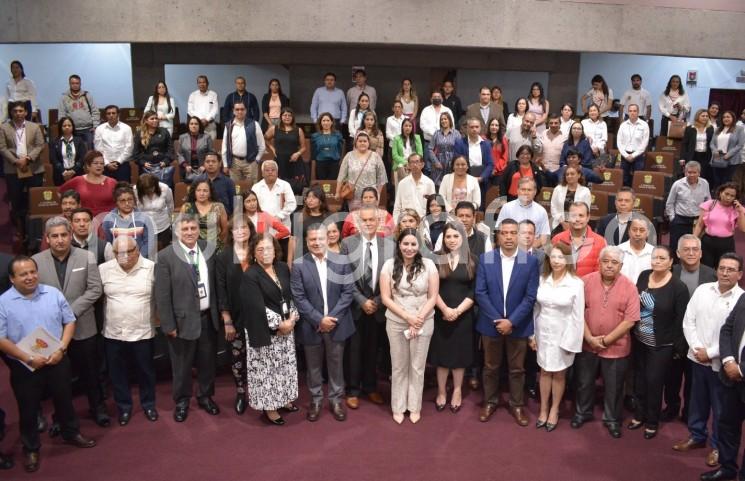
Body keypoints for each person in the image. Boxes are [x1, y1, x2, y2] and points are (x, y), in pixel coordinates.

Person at [0, 255, 97, 473]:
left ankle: (71, 433)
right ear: (12, 279)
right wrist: (27, 358)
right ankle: (31, 448)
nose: (30, 277)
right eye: (23, 274)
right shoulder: (3, 302)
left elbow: (69, 320)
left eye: (33, 272)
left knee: (65, 401)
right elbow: (1, 338)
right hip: (25, 365)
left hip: (57, 359)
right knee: (28, 408)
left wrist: (61, 348)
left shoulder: (52, 293)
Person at [32, 216, 107, 426]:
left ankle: (98, 408)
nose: (60, 240)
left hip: (83, 325)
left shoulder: (86, 257)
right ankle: (61, 418)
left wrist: (69, 313)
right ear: (47, 238)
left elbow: (95, 289)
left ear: (70, 235)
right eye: (54, 236)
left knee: (91, 373)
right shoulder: (36, 261)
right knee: (58, 379)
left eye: (64, 235)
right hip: (52, 330)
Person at [673, 253, 743, 469]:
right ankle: (696, 435)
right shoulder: (703, 290)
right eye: (722, 268)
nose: (725, 272)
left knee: (722, 410)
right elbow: (688, 320)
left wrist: (711, 352)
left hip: (722, 364)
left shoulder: (741, 299)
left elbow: (734, 335)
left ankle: (717, 447)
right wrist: (696, 348)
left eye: (731, 269)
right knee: (697, 401)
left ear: (740, 274)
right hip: (697, 358)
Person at [155, 215, 220, 422]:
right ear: (177, 233)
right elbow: (162, 295)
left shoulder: (208, 249)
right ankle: (182, 401)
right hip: (181, 322)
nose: (190, 232)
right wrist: (168, 324)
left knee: (207, 362)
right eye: (185, 229)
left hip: (207, 317)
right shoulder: (165, 256)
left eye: (193, 228)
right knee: (181, 366)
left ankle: (205, 396)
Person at [475, 218, 539, 426]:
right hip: (490, 324)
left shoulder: (529, 262)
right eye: (505, 233)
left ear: (519, 235)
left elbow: (530, 297)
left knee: (517, 369)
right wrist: (498, 320)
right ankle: (490, 401)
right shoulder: (486, 259)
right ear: (498, 236)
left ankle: (517, 405)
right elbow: (480, 293)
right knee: (490, 367)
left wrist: (511, 321)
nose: (509, 237)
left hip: (518, 325)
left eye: (513, 233)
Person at [573, 246, 640, 438]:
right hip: (588, 343)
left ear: (621, 266)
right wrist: (589, 338)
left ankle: (612, 419)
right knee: (584, 382)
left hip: (616, 347)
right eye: (606, 261)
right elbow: (577, 311)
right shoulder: (585, 282)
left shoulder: (629, 286)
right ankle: (582, 412)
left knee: (614, 386)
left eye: (614, 262)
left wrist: (607, 340)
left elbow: (630, 320)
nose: (609, 266)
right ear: (599, 263)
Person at [291, 224, 356, 422]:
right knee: (313, 367)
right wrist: (319, 320)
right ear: (307, 242)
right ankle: (316, 400)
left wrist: (331, 319)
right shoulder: (299, 265)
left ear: (327, 239)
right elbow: (298, 297)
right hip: (312, 325)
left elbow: (348, 292)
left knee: (336, 364)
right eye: (312, 240)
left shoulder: (341, 261)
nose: (317, 243)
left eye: (320, 239)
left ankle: (336, 400)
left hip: (337, 324)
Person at [628, 246, 689, 440]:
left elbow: (681, 320)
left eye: (662, 258)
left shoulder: (678, 287)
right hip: (639, 339)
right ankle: (639, 414)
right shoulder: (644, 276)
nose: (657, 261)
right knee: (639, 380)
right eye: (655, 258)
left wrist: (678, 347)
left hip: (661, 344)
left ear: (671, 262)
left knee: (654, 382)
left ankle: (652, 421)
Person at [379, 228, 438, 424]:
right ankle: (398, 406)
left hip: (423, 321)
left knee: (418, 367)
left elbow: (433, 296)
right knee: (398, 366)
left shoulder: (429, 265)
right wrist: (407, 317)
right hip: (397, 322)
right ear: (399, 244)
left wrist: (418, 318)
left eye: (413, 244)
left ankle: (414, 406)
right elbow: (386, 298)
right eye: (405, 243)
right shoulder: (388, 265)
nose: (409, 248)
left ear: (419, 246)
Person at [99, 236, 158, 426]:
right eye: (119, 253)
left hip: (142, 332)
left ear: (138, 250)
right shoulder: (104, 270)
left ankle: (148, 404)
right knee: (117, 373)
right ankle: (124, 407)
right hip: (113, 332)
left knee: (146, 372)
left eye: (129, 251)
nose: (124, 256)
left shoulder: (151, 268)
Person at [241, 235, 299, 425]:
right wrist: (279, 325)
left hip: (286, 329)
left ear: (275, 250)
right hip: (264, 331)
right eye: (260, 250)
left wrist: (291, 318)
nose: (265, 253)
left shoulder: (282, 268)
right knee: (268, 372)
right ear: (254, 254)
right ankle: (270, 407)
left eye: (269, 248)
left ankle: (284, 399)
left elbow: (290, 295)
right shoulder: (250, 274)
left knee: (284, 368)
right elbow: (255, 306)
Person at [341, 204, 396, 409]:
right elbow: (345, 276)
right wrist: (361, 300)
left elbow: (392, 278)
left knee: (374, 349)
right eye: (364, 220)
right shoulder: (347, 243)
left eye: (371, 220)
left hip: (379, 306)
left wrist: (378, 301)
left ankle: (371, 387)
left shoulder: (389, 245)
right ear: (358, 222)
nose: (368, 223)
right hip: (355, 306)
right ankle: (353, 390)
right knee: (353, 350)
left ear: (378, 222)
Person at [530, 242, 584, 431]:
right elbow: (536, 308)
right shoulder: (542, 279)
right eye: (553, 257)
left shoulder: (576, 283)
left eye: (561, 257)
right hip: (543, 332)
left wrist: (571, 342)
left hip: (565, 334)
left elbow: (578, 316)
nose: (556, 261)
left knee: (559, 374)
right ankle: (543, 408)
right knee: (544, 371)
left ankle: (554, 409)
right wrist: (532, 334)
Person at [665, 234, 718, 424]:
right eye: (686, 249)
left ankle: (689, 412)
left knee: (693, 380)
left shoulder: (712, 275)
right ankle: (671, 407)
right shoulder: (670, 271)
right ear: (678, 253)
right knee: (671, 378)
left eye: (695, 249)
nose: (691, 253)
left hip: (699, 337)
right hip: (674, 335)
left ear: (701, 253)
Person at [699, 269, 745, 481]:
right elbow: (727, 329)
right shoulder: (744, 298)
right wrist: (728, 361)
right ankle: (727, 468)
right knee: (727, 426)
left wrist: (741, 368)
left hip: (740, 372)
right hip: (730, 375)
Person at [431, 222, 476, 413]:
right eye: (448, 236)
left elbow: (475, 291)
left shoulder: (473, 260)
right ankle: (441, 391)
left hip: (463, 316)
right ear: (443, 238)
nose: (452, 240)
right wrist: (444, 309)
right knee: (441, 356)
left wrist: (457, 311)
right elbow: (431, 288)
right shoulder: (436, 259)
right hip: (441, 314)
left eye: (456, 236)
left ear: (463, 238)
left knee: (459, 356)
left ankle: (457, 390)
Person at [215, 213, 256, 415]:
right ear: (231, 232)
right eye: (237, 228)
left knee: (259, 355)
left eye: (245, 227)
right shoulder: (223, 256)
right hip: (236, 317)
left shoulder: (259, 252)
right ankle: (241, 393)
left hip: (259, 316)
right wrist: (227, 320)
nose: (241, 231)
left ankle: (259, 392)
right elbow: (220, 289)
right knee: (238, 357)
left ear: (250, 230)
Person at [0, 101, 45, 240]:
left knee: (34, 202)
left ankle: (36, 233)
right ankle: (20, 231)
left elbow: (40, 145)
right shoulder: (3, 127)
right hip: (13, 169)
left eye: (21, 111)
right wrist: (16, 161)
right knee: (17, 201)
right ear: (11, 113)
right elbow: (2, 147)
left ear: (26, 112)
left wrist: (28, 158)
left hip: (34, 168)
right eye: (15, 111)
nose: (18, 113)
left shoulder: (35, 127)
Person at [694, 182, 745, 269]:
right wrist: (693, 239)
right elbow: (699, 225)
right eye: (726, 194)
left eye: (732, 196)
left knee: (724, 269)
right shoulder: (710, 204)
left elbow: (743, 228)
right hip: (708, 242)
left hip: (726, 243)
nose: (728, 198)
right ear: (720, 192)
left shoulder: (738, 209)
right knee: (706, 269)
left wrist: (740, 212)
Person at [666, 161, 711, 255]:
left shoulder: (705, 183)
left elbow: (708, 202)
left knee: (696, 247)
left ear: (699, 173)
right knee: (676, 246)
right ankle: (675, 267)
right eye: (689, 172)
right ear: (685, 172)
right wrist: (672, 218)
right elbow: (670, 203)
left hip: (697, 221)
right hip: (679, 220)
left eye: (694, 172)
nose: (691, 175)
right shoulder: (677, 184)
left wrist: (705, 218)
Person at [102, 183, 156, 260]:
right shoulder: (108, 219)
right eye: (122, 201)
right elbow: (107, 243)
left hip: (140, 260)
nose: (127, 203)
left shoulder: (145, 218)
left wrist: (138, 258)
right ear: (116, 202)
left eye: (130, 199)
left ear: (134, 200)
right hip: (117, 261)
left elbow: (149, 242)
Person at [551, 202, 606, 277]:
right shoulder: (557, 239)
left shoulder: (600, 242)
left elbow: (600, 272)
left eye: (581, 215)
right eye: (573, 216)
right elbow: (551, 269)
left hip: (588, 287)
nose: (577, 219)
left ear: (588, 217)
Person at [59, 150, 117, 218]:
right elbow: (60, 192)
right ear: (88, 165)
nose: (99, 166)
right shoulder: (78, 180)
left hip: (107, 221)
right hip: (84, 221)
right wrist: (70, 207)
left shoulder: (112, 182)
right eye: (96, 163)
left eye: (102, 163)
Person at [496, 177, 551, 248]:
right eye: (523, 189)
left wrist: (529, 249)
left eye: (529, 190)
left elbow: (544, 236)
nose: (526, 193)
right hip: (510, 248)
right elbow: (499, 232)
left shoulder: (541, 211)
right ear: (518, 191)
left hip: (533, 250)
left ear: (535, 192)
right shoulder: (507, 208)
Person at [221, 101, 266, 186]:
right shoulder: (228, 126)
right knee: (235, 189)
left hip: (251, 162)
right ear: (233, 111)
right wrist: (225, 164)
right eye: (237, 109)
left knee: (252, 189)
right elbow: (224, 147)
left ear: (246, 110)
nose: (240, 111)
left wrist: (257, 160)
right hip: (234, 163)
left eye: (242, 109)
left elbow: (262, 145)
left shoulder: (254, 124)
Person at [336, 132, 387, 203]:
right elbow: (341, 176)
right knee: (354, 214)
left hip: (370, 196)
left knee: (369, 214)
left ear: (369, 143)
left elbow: (381, 178)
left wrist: (377, 194)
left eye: (365, 141)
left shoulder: (376, 156)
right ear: (355, 143)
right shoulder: (349, 156)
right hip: (353, 195)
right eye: (360, 141)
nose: (362, 143)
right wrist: (337, 192)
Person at [264, 107, 306, 191]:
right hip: (280, 161)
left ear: (292, 117)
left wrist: (298, 154)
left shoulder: (298, 130)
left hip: (295, 162)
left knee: (296, 187)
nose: (287, 117)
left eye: (289, 115)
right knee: (279, 187)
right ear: (281, 117)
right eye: (285, 115)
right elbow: (265, 138)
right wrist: (272, 149)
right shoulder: (274, 129)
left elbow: (304, 147)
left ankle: (295, 203)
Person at [180, 179, 228, 252]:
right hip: (193, 248)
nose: (201, 193)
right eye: (198, 190)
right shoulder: (186, 207)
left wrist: (217, 245)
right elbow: (181, 230)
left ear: (210, 193)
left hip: (215, 248)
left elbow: (224, 230)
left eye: (205, 191)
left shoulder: (219, 207)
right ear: (194, 192)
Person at [132, 110, 174, 188]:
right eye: (152, 119)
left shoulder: (164, 132)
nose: (155, 120)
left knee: (164, 191)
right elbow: (135, 153)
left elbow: (170, 149)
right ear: (146, 121)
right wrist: (143, 163)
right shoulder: (139, 133)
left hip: (163, 168)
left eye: (156, 118)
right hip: (146, 169)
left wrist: (166, 161)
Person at [253, 159, 297, 230]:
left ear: (277, 172)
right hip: (262, 225)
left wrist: (279, 216)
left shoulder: (285, 185)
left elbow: (291, 204)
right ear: (262, 173)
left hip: (281, 224)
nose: (270, 172)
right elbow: (253, 207)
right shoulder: (256, 187)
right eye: (267, 170)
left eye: (273, 170)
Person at [134, 173, 175, 251]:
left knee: (163, 252)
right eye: (146, 190)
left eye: (151, 188)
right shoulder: (136, 190)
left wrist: (171, 222)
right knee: (148, 253)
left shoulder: (165, 189)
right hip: (144, 227)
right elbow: (135, 209)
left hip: (163, 226)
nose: (149, 192)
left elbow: (170, 206)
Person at [94, 105, 133, 182]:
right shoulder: (99, 129)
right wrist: (107, 163)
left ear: (118, 114)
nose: (111, 115)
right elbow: (98, 149)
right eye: (108, 113)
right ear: (105, 115)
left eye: (113, 113)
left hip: (122, 165)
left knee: (124, 190)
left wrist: (118, 162)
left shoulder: (126, 128)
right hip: (105, 166)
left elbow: (129, 148)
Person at [58, 74, 99, 148]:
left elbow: (95, 111)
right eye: (73, 83)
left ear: (80, 84)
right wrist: (64, 128)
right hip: (73, 130)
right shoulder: (64, 97)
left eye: (77, 83)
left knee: (90, 150)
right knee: (75, 150)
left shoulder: (87, 95)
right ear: (69, 84)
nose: (75, 85)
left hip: (88, 129)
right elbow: (62, 114)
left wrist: (95, 126)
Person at [392, 153, 435, 223]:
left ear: (422, 164)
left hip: (424, 223)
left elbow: (433, 206)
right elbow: (397, 207)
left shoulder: (429, 183)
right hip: (406, 223)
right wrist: (396, 224)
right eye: (412, 162)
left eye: (417, 162)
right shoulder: (402, 184)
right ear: (408, 165)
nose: (415, 165)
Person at [617, 104, 650, 186]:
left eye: (634, 111)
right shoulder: (623, 125)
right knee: (624, 179)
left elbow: (644, 143)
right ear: (628, 112)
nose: (632, 113)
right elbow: (619, 142)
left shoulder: (644, 125)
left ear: (638, 112)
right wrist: (626, 155)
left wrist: (633, 155)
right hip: (625, 155)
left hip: (638, 156)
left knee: (638, 180)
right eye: (630, 111)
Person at [550, 165, 591, 232]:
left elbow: (586, 211)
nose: (569, 176)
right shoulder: (558, 189)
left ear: (579, 175)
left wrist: (572, 224)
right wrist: (563, 223)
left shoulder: (585, 191)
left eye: (572, 174)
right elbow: (553, 207)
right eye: (567, 174)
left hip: (578, 225)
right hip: (559, 224)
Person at [710, 111, 745, 189]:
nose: (726, 119)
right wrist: (715, 151)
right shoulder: (718, 129)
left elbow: (740, 145)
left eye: (728, 117)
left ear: (733, 118)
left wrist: (729, 154)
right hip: (717, 158)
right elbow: (712, 143)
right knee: (717, 180)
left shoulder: (739, 128)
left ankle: (725, 200)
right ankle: (716, 198)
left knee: (726, 181)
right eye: (724, 117)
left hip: (731, 159)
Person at [453, 117, 494, 184]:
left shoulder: (487, 144)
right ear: (467, 128)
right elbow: (457, 164)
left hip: (482, 181)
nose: (474, 129)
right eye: (471, 127)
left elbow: (490, 164)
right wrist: (468, 178)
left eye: (476, 127)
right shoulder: (460, 143)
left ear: (480, 128)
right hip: (465, 180)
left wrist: (481, 178)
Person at [427, 111, 461, 187]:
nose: (443, 121)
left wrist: (455, 163)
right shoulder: (436, 133)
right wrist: (435, 162)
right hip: (439, 163)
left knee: (451, 185)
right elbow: (430, 149)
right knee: (439, 186)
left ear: (449, 120)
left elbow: (460, 149)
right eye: (441, 119)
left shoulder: (456, 133)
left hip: (452, 163)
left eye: (445, 119)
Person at [176, 116, 214, 183]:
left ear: (199, 126)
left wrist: (205, 165)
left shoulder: (207, 137)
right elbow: (179, 154)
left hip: (203, 168)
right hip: (187, 168)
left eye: (196, 124)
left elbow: (211, 153)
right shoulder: (182, 137)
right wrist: (185, 165)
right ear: (188, 126)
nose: (194, 126)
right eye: (191, 124)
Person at [51, 116, 87, 185]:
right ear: (60, 127)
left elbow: (82, 158)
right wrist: (64, 172)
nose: (67, 127)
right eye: (64, 126)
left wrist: (73, 171)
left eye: (69, 125)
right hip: (60, 174)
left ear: (73, 127)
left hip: (77, 173)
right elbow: (53, 159)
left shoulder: (79, 141)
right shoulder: (55, 142)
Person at [680, 109, 714, 181]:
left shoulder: (710, 128)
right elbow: (684, 144)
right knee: (691, 175)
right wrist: (682, 157)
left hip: (705, 156)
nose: (705, 117)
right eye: (703, 116)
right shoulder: (690, 128)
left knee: (702, 176)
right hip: (693, 155)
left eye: (707, 116)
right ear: (698, 117)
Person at [618, 217, 654, 284]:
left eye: (642, 230)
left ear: (648, 232)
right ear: (628, 231)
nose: (637, 234)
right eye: (634, 230)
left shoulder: (654, 252)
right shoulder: (618, 251)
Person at [311, 112, 344, 180]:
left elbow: (340, 149)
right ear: (320, 122)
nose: (326, 123)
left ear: (332, 122)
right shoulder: (315, 136)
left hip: (334, 163)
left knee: (332, 185)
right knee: (321, 185)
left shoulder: (338, 135)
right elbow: (313, 152)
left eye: (328, 120)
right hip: (320, 163)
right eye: (324, 120)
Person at [391, 118, 423, 185]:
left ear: (412, 127)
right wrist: (406, 163)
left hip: (414, 163)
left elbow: (420, 154)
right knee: (401, 168)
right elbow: (394, 155)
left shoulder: (417, 138)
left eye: (410, 126)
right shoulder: (396, 138)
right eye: (406, 126)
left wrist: (411, 163)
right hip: (401, 164)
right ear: (402, 127)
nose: (407, 128)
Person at [187, 75, 219, 140]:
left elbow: (215, 109)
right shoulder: (193, 95)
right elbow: (190, 110)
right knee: (197, 148)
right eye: (200, 82)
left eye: (204, 82)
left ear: (207, 83)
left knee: (211, 148)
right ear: (197, 84)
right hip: (197, 126)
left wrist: (207, 119)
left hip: (210, 126)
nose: (202, 84)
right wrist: (200, 119)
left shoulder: (213, 94)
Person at [538, 114, 565, 184]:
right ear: (548, 124)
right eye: (551, 123)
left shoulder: (565, 136)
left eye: (556, 123)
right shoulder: (543, 134)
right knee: (543, 193)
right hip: (543, 169)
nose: (553, 125)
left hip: (558, 171)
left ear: (560, 124)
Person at [486, 117, 510, 185]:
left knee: (498, 194)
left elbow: (504, 157)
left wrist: (495, 169)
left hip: (499, 173)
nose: (494, 127)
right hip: (486, 172)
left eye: (496, 125)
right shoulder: (483, 139)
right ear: (489, 126)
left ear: (499, 127)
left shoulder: (503, 140)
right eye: (492, 125)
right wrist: (489, 170)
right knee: (487, 194)